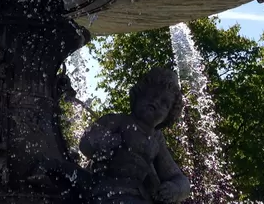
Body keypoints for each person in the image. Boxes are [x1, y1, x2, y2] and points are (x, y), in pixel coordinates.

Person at [79, 67, 190, 203]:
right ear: (139, 93)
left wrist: (176, 189)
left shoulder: (156, 140)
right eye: (152, 94)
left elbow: (177, 176)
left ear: (169, 116)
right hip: (106, 189)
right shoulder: (117, 121)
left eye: (164, 103)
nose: (156, 101)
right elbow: (86, 143)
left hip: (138, 195)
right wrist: (105, 142)